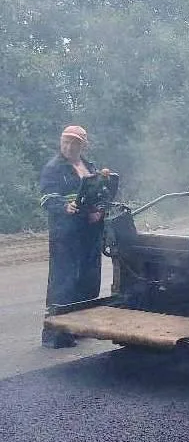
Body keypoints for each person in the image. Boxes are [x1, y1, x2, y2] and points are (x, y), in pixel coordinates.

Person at [38, 125, 105, 348]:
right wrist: (64, 207)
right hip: (65, 233)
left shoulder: (90, 167)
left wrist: (99, 209)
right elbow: (47, 198)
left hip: (88, 233)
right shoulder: (54, 168)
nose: (69, 146)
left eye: (74, 142)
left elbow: (96, 195)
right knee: (63, 282)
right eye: (65, 142)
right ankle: (55, 334)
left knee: (87, 279)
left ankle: (78, 327)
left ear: (83, 145)